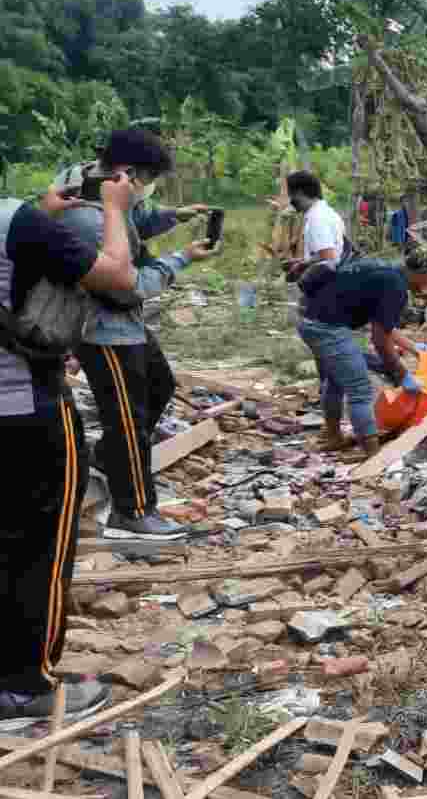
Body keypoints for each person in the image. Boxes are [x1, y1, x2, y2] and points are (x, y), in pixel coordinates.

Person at [0, 172, 138, 727]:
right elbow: (120, 277)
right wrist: (113, 208)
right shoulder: (16, 222)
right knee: (37, 547)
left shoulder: (28, 222)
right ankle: (22, 687)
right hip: (22, 410)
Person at [50, 130, 220, 542]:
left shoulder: (98, 184)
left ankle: (107, 459)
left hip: (126, 323)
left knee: (159, 385)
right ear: (128, 173)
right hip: (102, 328)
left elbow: (131, 220)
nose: (148, 187)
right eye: (148, 178)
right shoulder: (87, 218)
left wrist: (174, 216)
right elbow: (129, 284)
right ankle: (133, 511)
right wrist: (182, 258)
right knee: (127, 420)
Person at [295, 242, 427, 457]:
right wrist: (401, 374)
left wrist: (414, 349)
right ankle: (373, 455)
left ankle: (332, 436)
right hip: (327, 329)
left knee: (336, 381)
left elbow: (382, 324)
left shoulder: (384, 270)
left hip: (311, 320)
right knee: (360, 389)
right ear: (424, 272)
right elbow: (380, 339)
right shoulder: (395, 286)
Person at [275, 170, 348, 277]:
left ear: (299, 193)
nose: (290, 201)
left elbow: (328, 256)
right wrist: (302, 261)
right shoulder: (327, 212)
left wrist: (303, 265)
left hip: (327, 283)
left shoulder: (317, 218)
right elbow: (326, 253)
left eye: (290, 195)